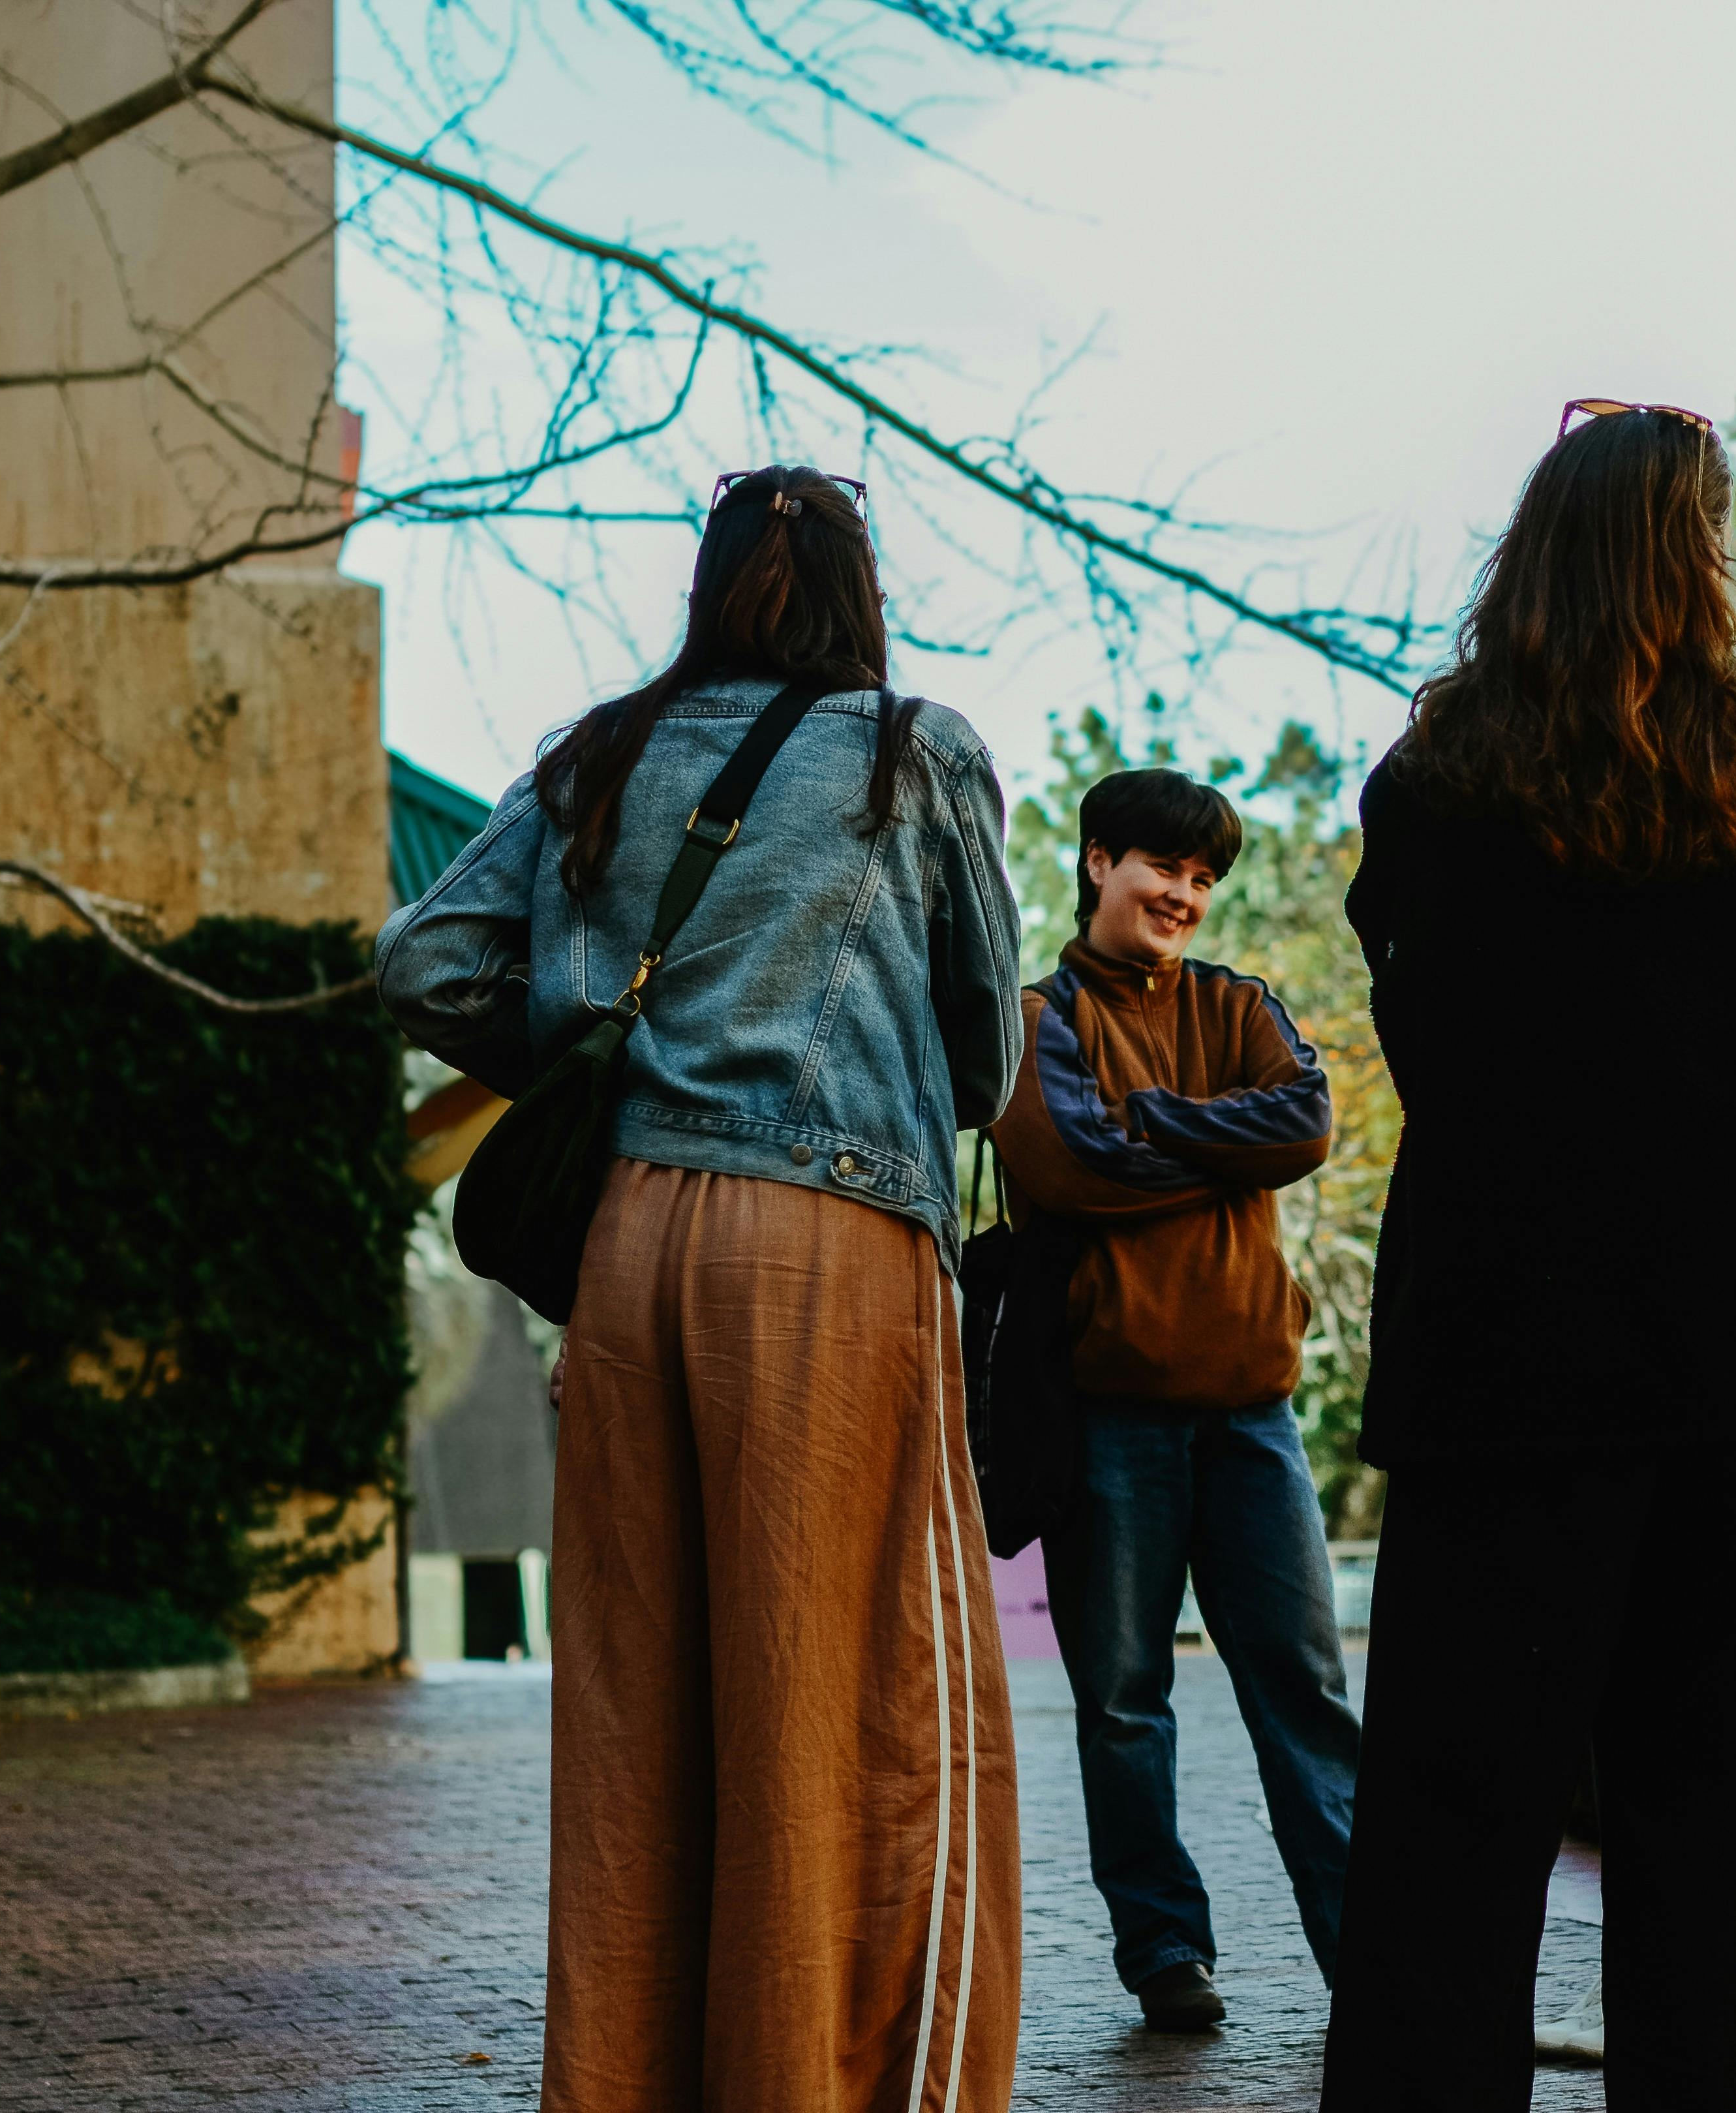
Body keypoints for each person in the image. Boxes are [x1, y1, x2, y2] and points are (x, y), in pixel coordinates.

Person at [1320, 399, 1736, 2113]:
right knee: (1723, 1847)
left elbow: (1432, 1046)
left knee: (1449, 1848)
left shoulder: (1432, 784)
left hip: (1496, 1383)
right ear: (1699, 558)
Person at [375, 464, 1026, 2112]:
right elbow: (992, 1050)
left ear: (711, 582)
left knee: (640, 1713)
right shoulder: (911, 747)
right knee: (866, 1707)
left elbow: (425, 959)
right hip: (826, 1237)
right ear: (858, 592)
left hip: (627, 1243)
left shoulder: (598, 750)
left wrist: (607, 1052)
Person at [992, 766, 1358, 2033]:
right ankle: (1165, 1954)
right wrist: (1215, 1145)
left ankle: (1365, 1957)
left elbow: (1304, 1121)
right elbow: (1067, 1161)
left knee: (1305, 1691)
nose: (1185, 895)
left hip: (1255, 1411)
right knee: (1124, 1700)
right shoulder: (1035, 1012)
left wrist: (1150, 1116)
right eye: (1164, 868)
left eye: (1206, 879)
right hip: (1109, 1416)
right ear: (1100, 861)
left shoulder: (1243, 1004)